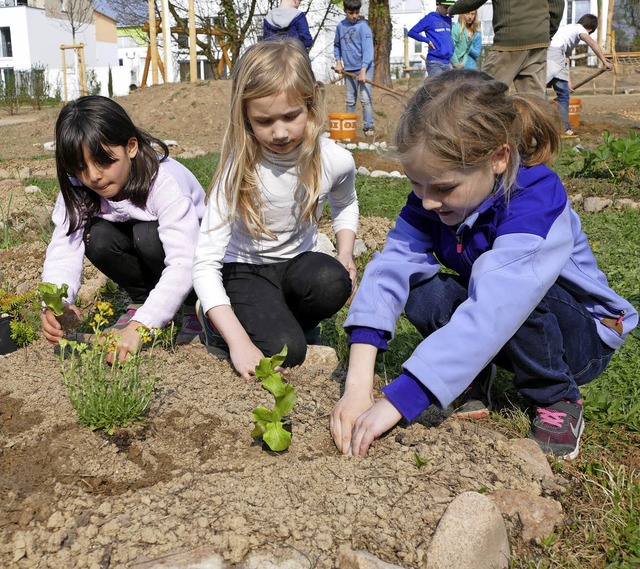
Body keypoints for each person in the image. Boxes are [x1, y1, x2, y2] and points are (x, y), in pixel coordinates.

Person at [330, 70, 638, 461]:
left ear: (498, 158)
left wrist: (401, 400)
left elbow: (501, 305)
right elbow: (389, 269)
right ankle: (471, 375)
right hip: (508, 320)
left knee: (519, 296)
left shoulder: (535, 200)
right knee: (424, 293)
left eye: (442, 188)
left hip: (581, 337)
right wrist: (357, 385)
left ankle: (558, 397)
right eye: (416, 184)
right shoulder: (432, 201)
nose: (426, 202)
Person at [192, 38, 359, 380]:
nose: (280, 132)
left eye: (291, 116)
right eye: (265, 121)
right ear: (245, 115)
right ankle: (220, 324)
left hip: (296, 266)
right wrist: (238, 342)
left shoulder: (335, 160)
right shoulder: (237, 173)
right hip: (245, 270)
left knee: (333, 280)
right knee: (290, 353)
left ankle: (285, 322)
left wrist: (345, 253)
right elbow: (205, 263)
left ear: (311, 103)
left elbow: (345, 202)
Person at [41, 96, 206, 361]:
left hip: (198, 260)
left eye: (104, 161)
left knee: (148, 236)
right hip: (150, 254)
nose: (94, 176)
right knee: (97, 236)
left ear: (130, 147)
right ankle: (142, 300)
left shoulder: (164, 182)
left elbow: (185, 260)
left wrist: (142, 327)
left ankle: (192, 306)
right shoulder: (78, 187)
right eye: (81, 167)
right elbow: (64, 247)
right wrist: (55, 302)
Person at [448, 0, 565, 96]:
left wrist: (452, 9)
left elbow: (471, 2)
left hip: (510, 39)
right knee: (533, 97)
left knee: (484, 91)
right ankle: (536, 124)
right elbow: (557, 4)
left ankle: (482, 123)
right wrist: (546, 33)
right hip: (539, 40)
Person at [547, 14, 614, 137]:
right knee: (561, 96)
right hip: (554, 54)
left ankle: (546, 120)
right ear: (590, 30)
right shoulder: (580, 30)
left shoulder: (566, 29)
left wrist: (568, 81)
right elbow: (592, 43)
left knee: (543, 90)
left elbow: (566, 57)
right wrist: (605, 61)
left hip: (546, 53)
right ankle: (564, 128)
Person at [333, 0, 375, 136]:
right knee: (350, 100)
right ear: (345, 11)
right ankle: (349, 129)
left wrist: (363, 71)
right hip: (349, 69)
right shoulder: (340, 26)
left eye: (357, 12)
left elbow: (368, 51)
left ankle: (369, 127)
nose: (354, 16)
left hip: (365, 68)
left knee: (365, 99)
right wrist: (338, 62)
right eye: (351, 13)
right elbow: (337, 45)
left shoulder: (363, 27)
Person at [408, 0, 455, 77]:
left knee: (450, 88)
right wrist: (428, 41)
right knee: (437, 88)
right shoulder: (429, 19)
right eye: (446, 7)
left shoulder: (448, 20)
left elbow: (447, 38)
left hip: (447, 62)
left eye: (450, 7)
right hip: (435, 63)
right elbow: (412, 32)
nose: (447, 10)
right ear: (437, 4)